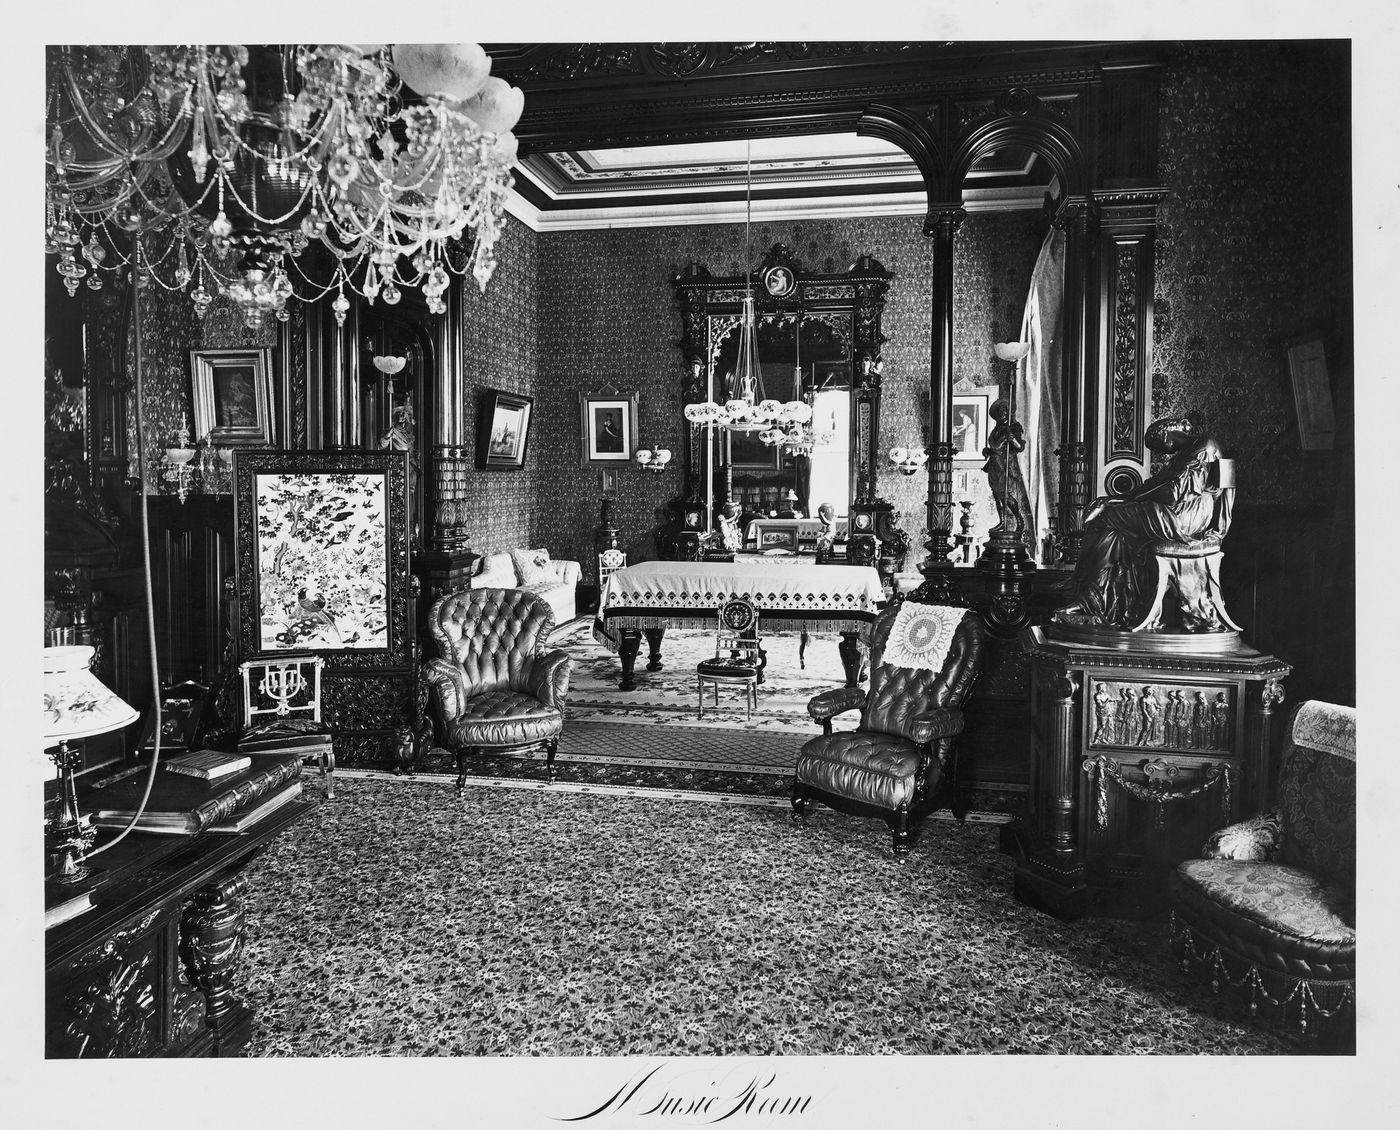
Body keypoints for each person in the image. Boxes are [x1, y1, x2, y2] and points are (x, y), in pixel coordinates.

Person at [1058, 418, 1232, 629]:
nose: (1160, 451)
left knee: (1105, 519)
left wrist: (1113, 501)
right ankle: (1093, 597)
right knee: (1116, 533)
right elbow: (1156, 485)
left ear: (1166, 434)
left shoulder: (1204, 445)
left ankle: (1085, 592)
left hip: (1185, 516)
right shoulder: (1185, 454)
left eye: (1158, 445)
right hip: (1178, 513)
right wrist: (1115, 499)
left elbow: (1172, 491)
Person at [982, 399, 1033, 542]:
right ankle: (1002, 522)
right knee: (997, 496)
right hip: (994, 465)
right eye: (999, 411)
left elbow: (1019, 447)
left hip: (1004, 466)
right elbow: (994, 447)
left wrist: (1012, 440)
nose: (1002, 414)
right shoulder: (997, 428)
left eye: (1004, 411)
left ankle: (1019, 520)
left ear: (1008, 412)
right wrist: (987, 451)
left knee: (1005, 495)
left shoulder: (1014, 427)